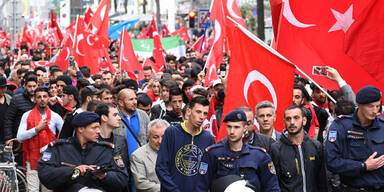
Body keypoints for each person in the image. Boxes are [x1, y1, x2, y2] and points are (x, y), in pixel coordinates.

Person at [37, 112, 129, 192]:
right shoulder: (58, 148)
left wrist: (104, 176)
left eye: (98, 127)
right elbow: (45, 174)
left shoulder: (108, 150)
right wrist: (75, 171)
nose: (98, 131)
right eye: (94, 128)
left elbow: (122, 179)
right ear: (80, 129)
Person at [196, 110, 280, 192]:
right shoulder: (213, 153)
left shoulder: (259, 156)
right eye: (229, 126)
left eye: (236, 127)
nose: (232, 131)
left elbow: (272, 187)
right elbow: (201, 186)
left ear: (245, 128)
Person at [326, 85, 384, 191]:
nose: (375, 111)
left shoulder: (382, 126)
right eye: (371, 106)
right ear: (359, 105)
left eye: (378, 106)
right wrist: (363, 166)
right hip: (353, 188)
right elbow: (332, 161)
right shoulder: (341, 126)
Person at [156, 96, 215, 192]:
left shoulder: (208, 139)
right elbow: (161, 167)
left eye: (205, 113)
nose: (202, 117)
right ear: (188, 111)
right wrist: (173, 189)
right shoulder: (172, 132)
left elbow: (207, 170)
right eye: (198, 112)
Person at [270, 105, 328, 192]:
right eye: (288, 119)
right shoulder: (276, 149)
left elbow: (322, 181)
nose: (292, 122)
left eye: (296, 118)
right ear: (284, 122)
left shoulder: (316, 146)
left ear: (304, 121)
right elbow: (273, 183)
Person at [17, 87, 63, 192]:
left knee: (47, 190)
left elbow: (65, 135)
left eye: (45, 96)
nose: (42, 99)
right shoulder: (26, 115)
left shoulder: (55, 117)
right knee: (32, 190)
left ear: (48, 98)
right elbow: (20, 137)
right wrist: (36, 129)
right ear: (34, 99)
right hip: (32, 158)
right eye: (39, 97)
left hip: (50, 159)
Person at [131, 119, 169, 192]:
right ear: (148, 137)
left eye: (163, 136)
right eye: (155, 137)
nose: (160, 141)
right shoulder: (138, 156)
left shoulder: (176, 151)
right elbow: (140, 183)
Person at [114, 88, 150, 157]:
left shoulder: (143, 115)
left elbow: (149, 138)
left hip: (140, 161)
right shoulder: (113, 116)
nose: (135, 102)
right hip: (121, 162)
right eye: (131, 99)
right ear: (120, 102)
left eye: (135, 99)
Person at [0, 76, 12, 143]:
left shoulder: (9, 98)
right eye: (1, 88)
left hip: (7, 135)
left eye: (5, 87)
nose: (3, 90)